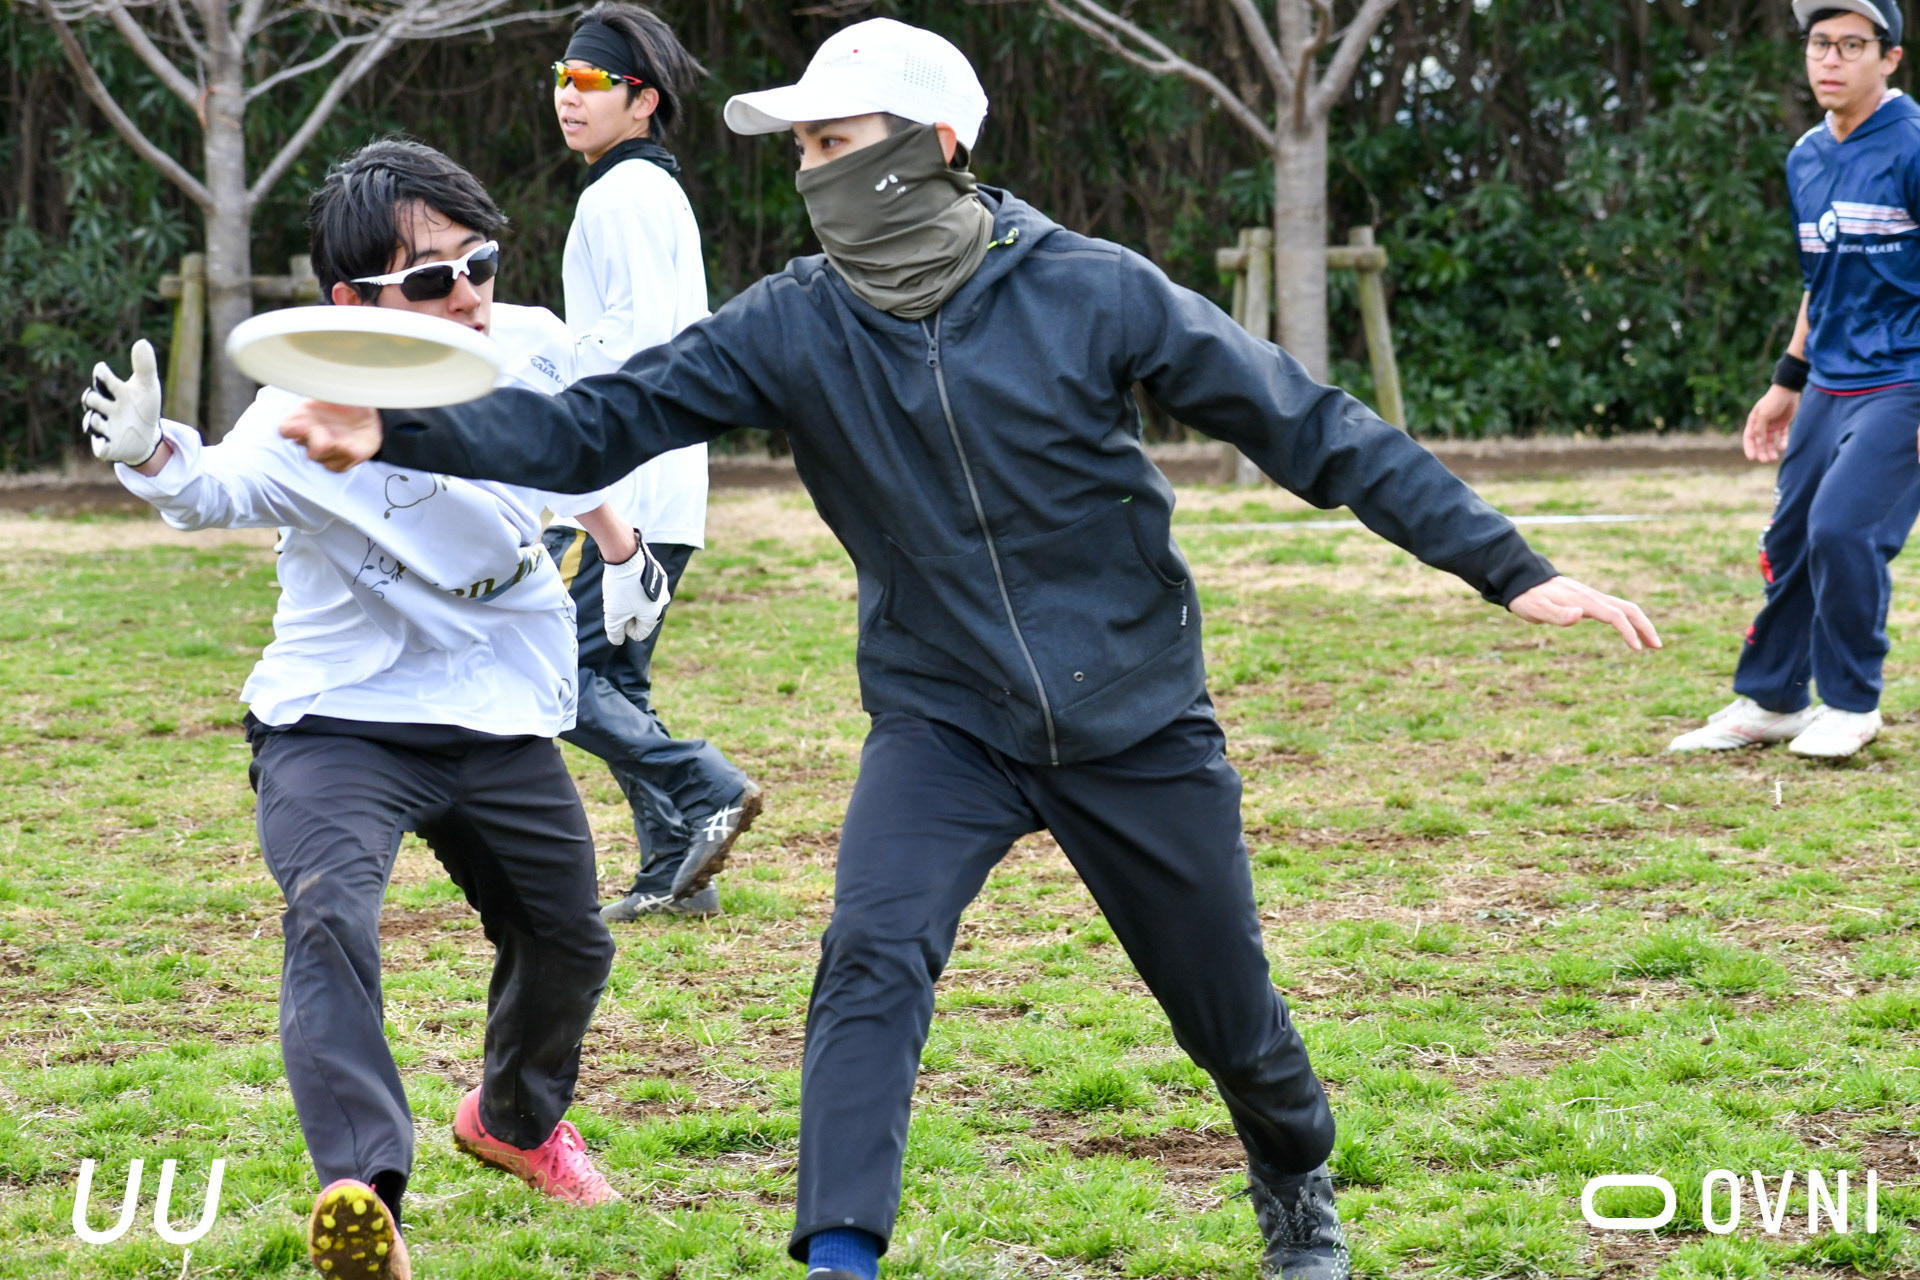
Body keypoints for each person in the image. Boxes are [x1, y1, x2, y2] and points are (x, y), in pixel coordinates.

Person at [280, 21, 1660, 1278]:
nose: (812, 172)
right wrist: (396, 425)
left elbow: (1312, 427)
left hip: (1134, 713)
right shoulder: (791, 323)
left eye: (836, 140)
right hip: (943, 719)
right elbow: (593, 424)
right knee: (869, 956)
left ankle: (1295, 1176)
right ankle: (840, 1256)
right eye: (802, 149)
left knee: (1226, 1007)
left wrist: (1513, 569)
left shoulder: (1090, 289)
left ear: (935, 146)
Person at [80, 139, 654, 1280]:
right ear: (353, 304)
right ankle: (363, 1194)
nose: (471, 294)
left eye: (480, 263)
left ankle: (516, 1119)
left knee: (570, 940)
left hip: (495, 710)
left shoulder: (527, 343)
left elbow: (578, 450)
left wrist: (623, 549)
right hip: (337, 720)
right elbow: (216, 485)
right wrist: (151, 451)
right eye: (435, 278)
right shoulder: (306, 408)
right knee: (330, 915)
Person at [550, 2, 761, 920]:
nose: (569, 96)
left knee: (558, 676)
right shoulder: (649, 188)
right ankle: (673, 873)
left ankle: (705, 781)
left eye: (590, 82)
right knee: (616, 681)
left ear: (643, 102)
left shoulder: (621, 194)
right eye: (561, 78)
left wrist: (544, 377)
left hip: (626, 479)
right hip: (662, 473)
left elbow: (633, 342)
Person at [1671, 0, 1917, 759]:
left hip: (1904, 380)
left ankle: (1851, 703)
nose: (1830, 60)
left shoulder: (1912, 145)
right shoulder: (1806, 155)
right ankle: (1775, 700)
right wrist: (1787, 380)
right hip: (1831, 379)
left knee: (1843, 529)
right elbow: (1822, 281)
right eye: (1819, 43)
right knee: (1791, 537)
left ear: (1890, 58)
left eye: (1852, 44)